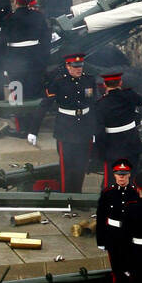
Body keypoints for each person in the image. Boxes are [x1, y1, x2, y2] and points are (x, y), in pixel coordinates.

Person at [43, 54, 97, 193]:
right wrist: (32, 130)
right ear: (68, 67)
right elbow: (45, 105)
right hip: (65, 128)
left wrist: (95, 128)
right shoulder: (59, 82)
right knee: (67, 165)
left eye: (80, 67)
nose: (79, 69)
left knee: (81, 164)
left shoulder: (89, 80)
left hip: (84, 127)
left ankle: (77, 194)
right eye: (75, 67)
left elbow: (93, 105)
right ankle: (66, 196)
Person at [3, 0, 50, 141]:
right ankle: (32, 126)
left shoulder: (10, 19)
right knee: (34, 94)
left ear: (16, 2)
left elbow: (3, 44)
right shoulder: (39, 17)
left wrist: (6, 66)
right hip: (35, 63)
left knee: (18, 95)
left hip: (16, 64)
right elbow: (46, 42)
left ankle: (22, 127)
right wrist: (42, 62)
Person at [96, 159, 138, 283]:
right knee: (118, 272)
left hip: (130, 238)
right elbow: (101, 218)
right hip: (113, 237)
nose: (121, 178)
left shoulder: (135, 193)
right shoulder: (108, 193)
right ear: (114, 175)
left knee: (132, 271)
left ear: (129, 175)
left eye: (124, 175)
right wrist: (101, 241)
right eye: (119, 175)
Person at [96, 73, 142, 182]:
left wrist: (101, 152)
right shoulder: (129, 95)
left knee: (113, 178)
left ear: (105, 85)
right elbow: (141, 101)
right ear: (120, 83)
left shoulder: (100, 104)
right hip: (131, 142)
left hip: (113, 146)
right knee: (132, 175)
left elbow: (99, 131)